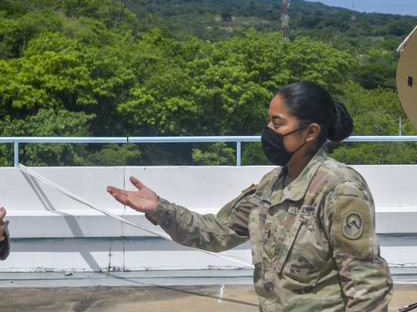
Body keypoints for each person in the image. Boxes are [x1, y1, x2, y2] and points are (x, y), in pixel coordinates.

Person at [107, 81, 392, 311]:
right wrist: (159, 208)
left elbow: (367, 285)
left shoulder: (339, 189)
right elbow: (218, 233)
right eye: (268, 121)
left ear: (311, 132)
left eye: (277, 124)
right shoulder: (270, 185)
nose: (268, 131)